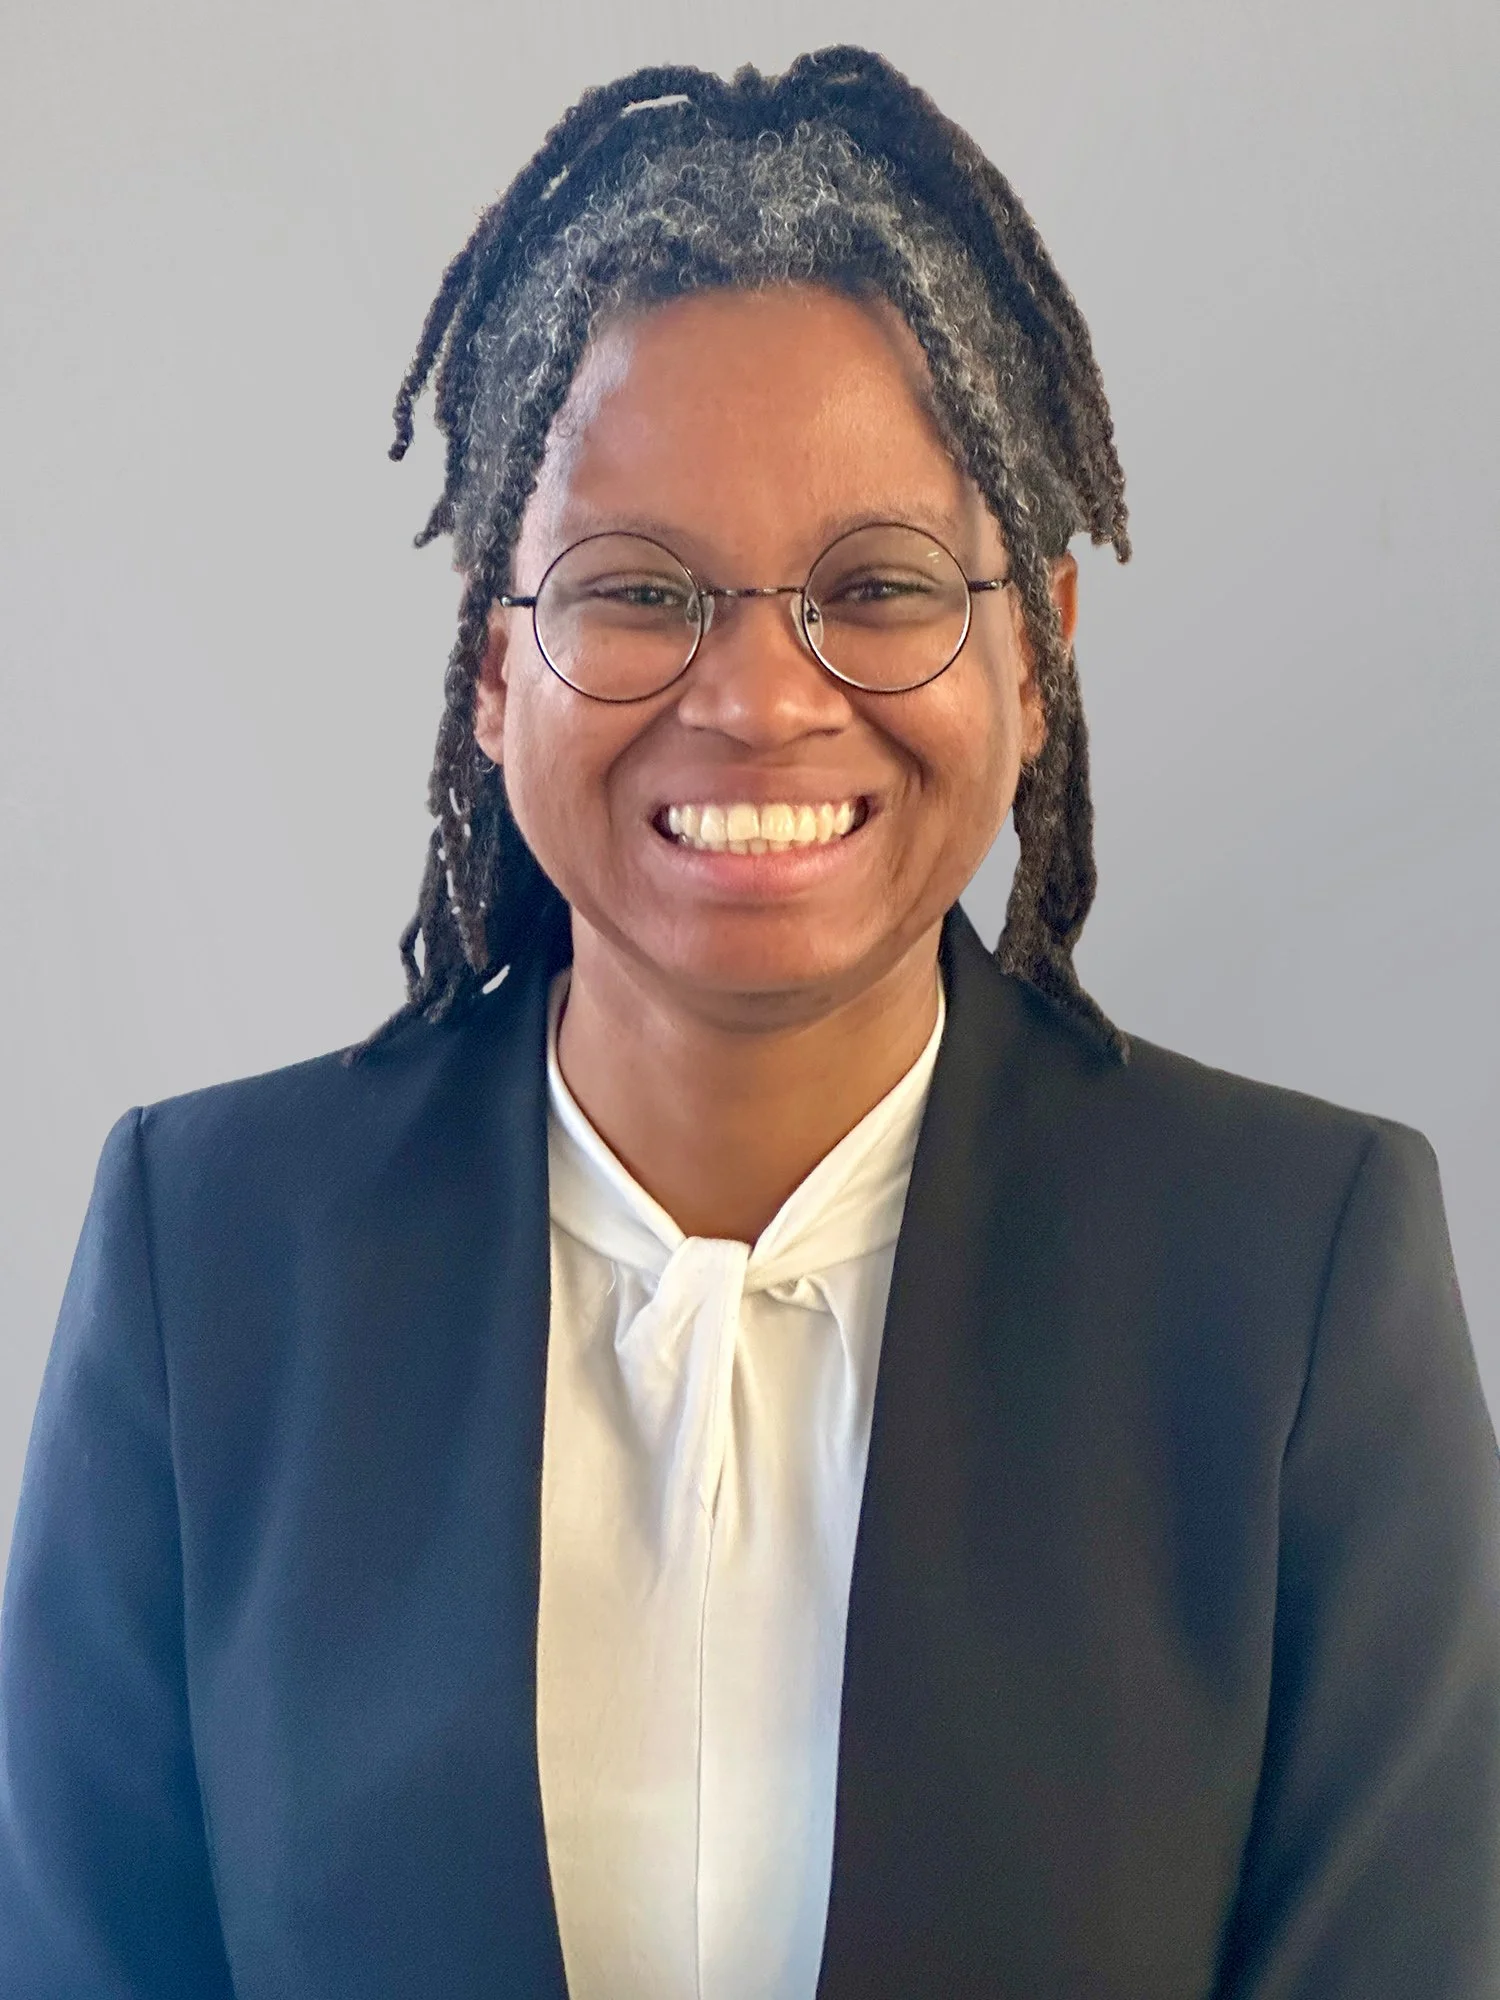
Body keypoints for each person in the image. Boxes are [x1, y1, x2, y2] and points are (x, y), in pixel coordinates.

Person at [2, 44, 1496, 2000]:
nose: (762, 699)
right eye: (641, 591)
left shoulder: (1294, 1283)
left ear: (1036, 651)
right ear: (490, 665)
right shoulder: (215, 1261)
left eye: (876, 588)